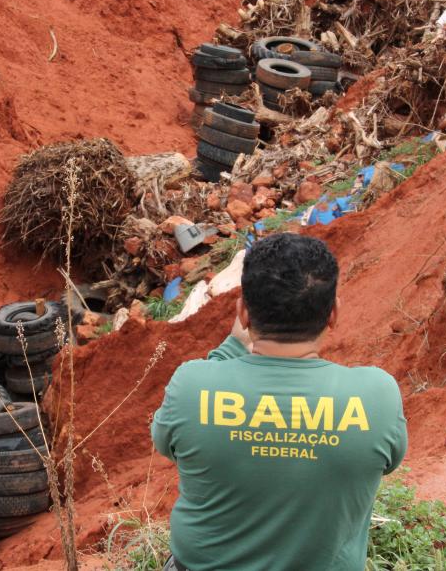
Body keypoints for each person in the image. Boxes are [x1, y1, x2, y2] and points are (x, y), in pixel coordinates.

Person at [151, 233, 407, 571]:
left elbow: (167, 445)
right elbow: (389, 462)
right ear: (333, 314)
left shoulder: (191, 385)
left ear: (243, 313)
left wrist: (231, 347)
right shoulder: (378, 395)